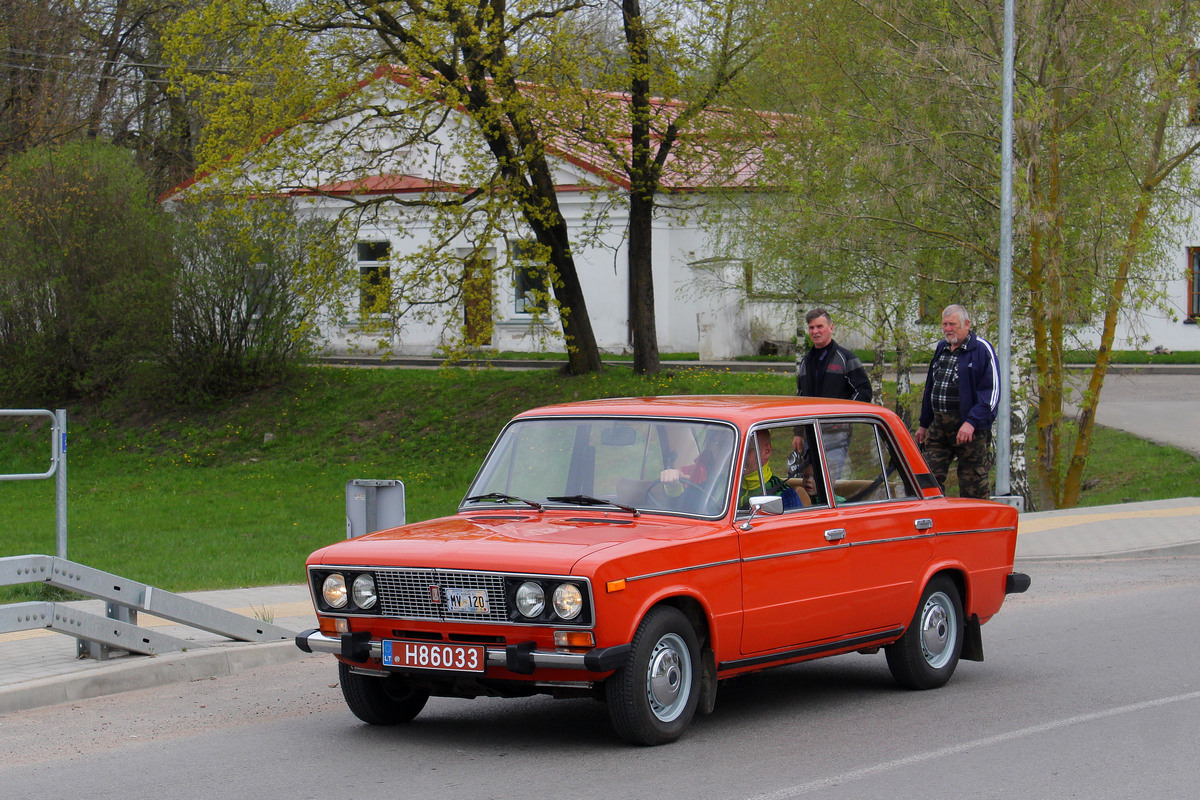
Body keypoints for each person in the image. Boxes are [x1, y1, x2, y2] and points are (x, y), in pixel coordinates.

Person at [916, 304, 999, 499]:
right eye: (944, 324)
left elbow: (992, 393)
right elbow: (931, 387)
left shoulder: (981, 349)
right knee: (927, 480)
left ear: (967, 324)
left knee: (973, 486)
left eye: (952, 324)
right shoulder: (941, 348)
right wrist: (923, 424)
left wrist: (972, 422)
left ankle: (977, 525)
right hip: (939, 427)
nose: (948, 329)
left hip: (970, 430)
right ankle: (936, 522)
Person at [792, 308, 872, 479]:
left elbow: (864, 391)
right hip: (809, 432)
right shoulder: (806, 362)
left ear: (831, 327)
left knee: (830, 480)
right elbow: (799, 399)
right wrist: (798, 433)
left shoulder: (846, 358)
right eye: (811, 328)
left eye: (820, 326)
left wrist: (843, 418)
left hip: (836, 434)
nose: (815, 331)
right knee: (810, 481)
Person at [740, 429, 803, 510]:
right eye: (736, 448)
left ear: (766, 451)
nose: (739, 455)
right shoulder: (723, 485)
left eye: (746, 449)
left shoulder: (785, 495)